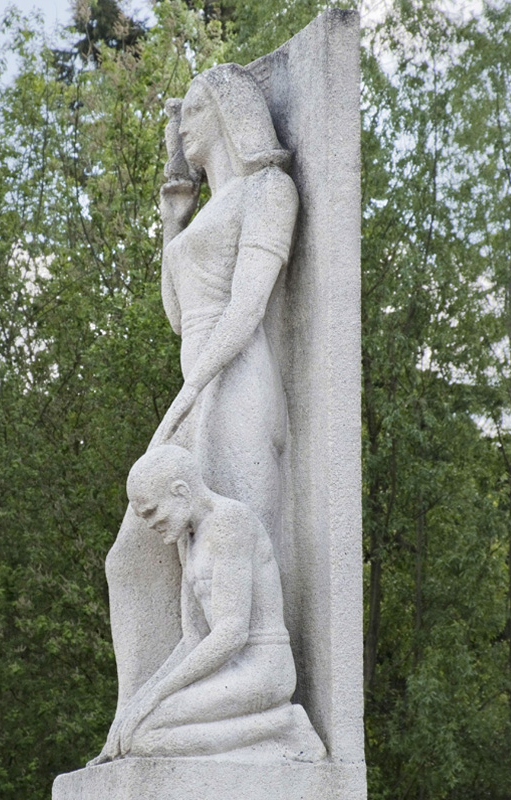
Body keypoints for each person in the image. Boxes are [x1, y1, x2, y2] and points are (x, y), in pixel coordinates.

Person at [104, 62, 300, 715]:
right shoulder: (208, 211)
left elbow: (246, 309)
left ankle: (250, 697)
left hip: (236, 380)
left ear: (226, 111)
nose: (181, 123)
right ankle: (147, 705)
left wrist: (192, 395)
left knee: (237, 528)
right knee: (135, 553)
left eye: (192, 108)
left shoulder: (269, 191)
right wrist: (172, 221)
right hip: (198, 377)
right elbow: (178, 315)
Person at [93, 446, 324, 762]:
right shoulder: (186, 539)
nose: (149, 523)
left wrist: (155, 696)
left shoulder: (231, 522)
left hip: (263, 669)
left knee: (143, 737)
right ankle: (276, 727)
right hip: (227, 672)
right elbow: (193, 638)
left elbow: (232, 633)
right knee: (134, 731)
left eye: (151, 511)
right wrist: (138, 700)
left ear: (180, 491)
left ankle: (283, 726)